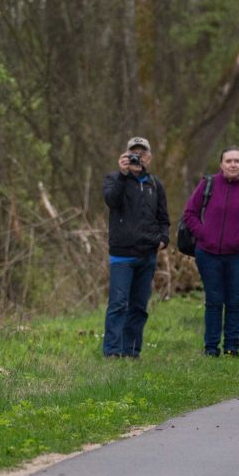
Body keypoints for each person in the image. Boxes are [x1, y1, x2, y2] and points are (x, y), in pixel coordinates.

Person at [181, 146, 239, 357]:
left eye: (237, 161)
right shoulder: (208, 184)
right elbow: (189, 213)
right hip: (208, 253)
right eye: (228, 161)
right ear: (221, 164)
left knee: (234, 300)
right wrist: (203, 234)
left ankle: (232, 347)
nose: (232, 164)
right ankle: (211, 347)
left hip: (238, 256)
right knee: (213, 300)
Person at [102, 136, 170, 358]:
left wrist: (163, 238)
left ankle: (131, 351)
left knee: (139, 307)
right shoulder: (113, 179)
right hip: (122, 255)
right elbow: (112, 201)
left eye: (142, 153)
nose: (137, 157)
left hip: (147, 254)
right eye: (134, 152)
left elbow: (163, 217)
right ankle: (112, 351)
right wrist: (123, 175)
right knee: (118, 304)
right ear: (125, 155)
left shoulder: (155, 184)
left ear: (149, 157)